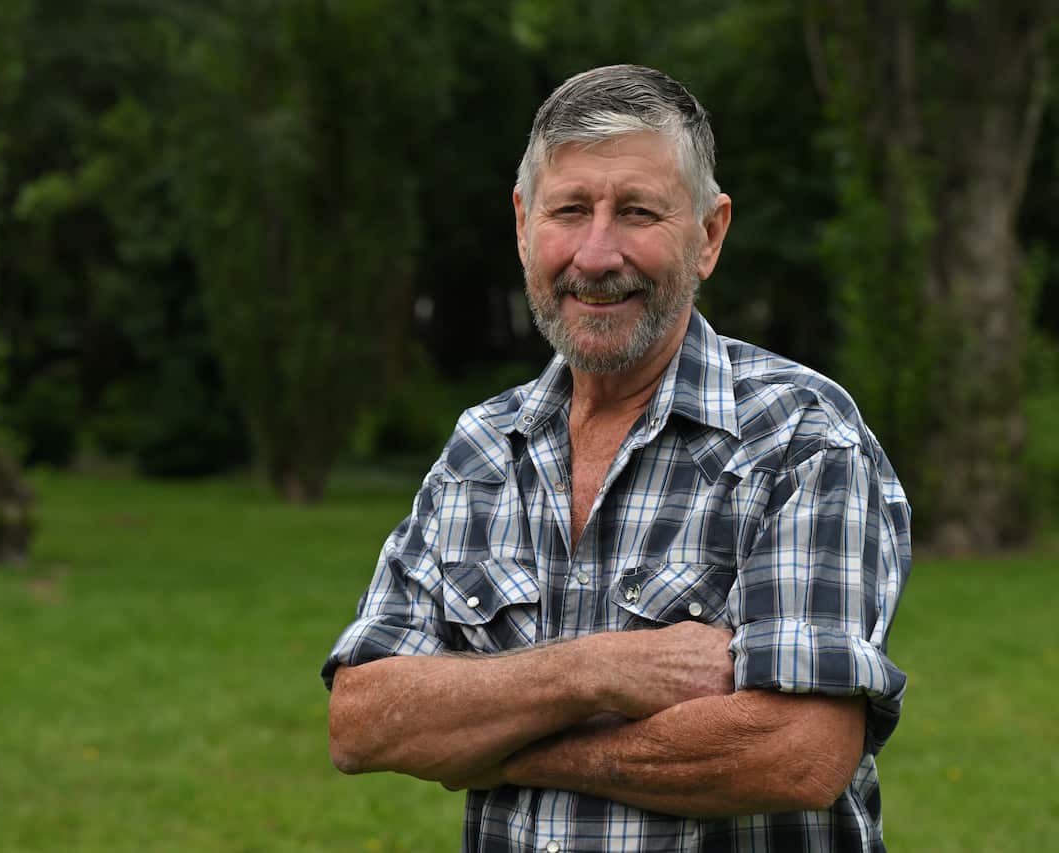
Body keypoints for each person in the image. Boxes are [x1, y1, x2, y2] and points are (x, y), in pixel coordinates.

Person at [322, 64, 912, 853]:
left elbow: (799, 751)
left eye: (636, 211)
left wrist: (502, 745)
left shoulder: (799, 436)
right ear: (525, 223)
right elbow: (363, 720)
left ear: (708, 234)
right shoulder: (483, 449)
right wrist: (599, 670)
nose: (597, 255)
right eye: (570, 211)